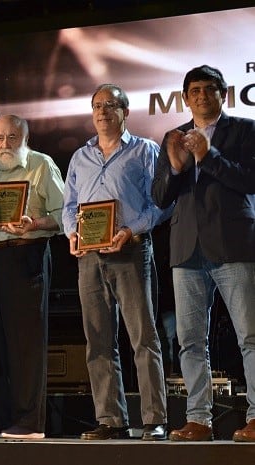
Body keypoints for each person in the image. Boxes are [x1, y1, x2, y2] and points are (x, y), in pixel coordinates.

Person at [152, 65, 255, 442]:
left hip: (234, 246)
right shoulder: (172, 137)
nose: (200, 95)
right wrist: (177, 169)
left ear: (223, 94)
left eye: (209, 89)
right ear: (184, 97)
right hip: (187, 250)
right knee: (190, 341)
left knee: (250, 336)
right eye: (193, 90)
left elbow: (250, 181)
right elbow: (159, 196)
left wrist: (209, 156)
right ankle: (198, 420)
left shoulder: (245, 130)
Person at [62, 84, 169, 441]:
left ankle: (154, 419)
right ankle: (111, 419)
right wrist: (71, 234)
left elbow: (161, 203)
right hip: (89, 257)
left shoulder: (145, 151)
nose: (102, 111)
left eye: (110, 105)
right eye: (96, 105)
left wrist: (131, 230)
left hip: (131, 251)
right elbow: (69, 207)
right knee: (98, 341)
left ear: (125, 112)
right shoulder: (80, 157)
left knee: (143, 337)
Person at [0, 115, 64, 439]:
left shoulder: (41, 165)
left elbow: (65, 214)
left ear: (25, 137)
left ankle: (29, 421)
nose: (5, 144)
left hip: (25, 255)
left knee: (25, 344)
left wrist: (34, 224)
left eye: (12, 137)